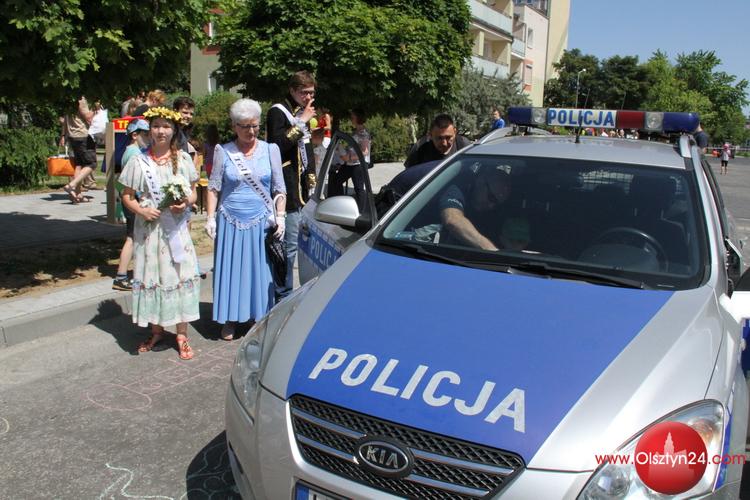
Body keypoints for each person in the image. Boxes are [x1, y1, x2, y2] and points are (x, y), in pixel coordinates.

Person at [119, 106, 201, 360]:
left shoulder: (183, 159)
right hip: (150, 230)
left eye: (166, 126)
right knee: (153, 275)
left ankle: (182, 334)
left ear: (174, 130)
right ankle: (157, 330)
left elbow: (193, 192)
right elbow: (127, 196)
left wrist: (184, 203)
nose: (160, 131)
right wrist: (141, 211)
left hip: (175, 230)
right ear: (149, 130)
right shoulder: (138, 161)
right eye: (156, 126)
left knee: (178, 274)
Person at [205, 99, 287, 341]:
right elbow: (213, 187)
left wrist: (280, 216)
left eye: (255, 126)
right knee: (231, 271)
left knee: (258, 272)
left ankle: (257, 317)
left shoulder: (271, 149)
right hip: (230, 220)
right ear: (234, 126)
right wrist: (210, 218)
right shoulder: (223, 151)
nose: (251, 131)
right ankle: (230, 318)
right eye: (245, 126)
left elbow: (279, 187)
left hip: (261, 221)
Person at [266, 70, 317, 299]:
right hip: (286, 187)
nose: (308, 97)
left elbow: (307, 148)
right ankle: (283, 294)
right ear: (292, 90)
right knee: (288, 245)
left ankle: (287, 290)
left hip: (302, 188)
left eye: (311, 93)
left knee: (298, 243)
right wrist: (301, 122)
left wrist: (313, 178)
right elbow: (276, 145)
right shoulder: (278, 111)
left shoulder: (302, 112)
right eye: (304, 92)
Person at [112, 119, 150, 291]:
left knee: (134, 237)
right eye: (145, 134)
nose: (149, 138)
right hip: (134, 200)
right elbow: (134, 181)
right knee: (132, 238)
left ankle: (130, 274)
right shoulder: (135, 153)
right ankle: (121, 276)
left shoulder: (131, 151)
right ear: (135, 135)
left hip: (132, 199)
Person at [439, 167, 513, 250]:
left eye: (496, 203)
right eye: (491, 197)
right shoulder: (460, 188)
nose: (491, 205)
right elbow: (452, 219)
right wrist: (491, 250)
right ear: (480, 181)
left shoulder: (494, 215)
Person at [328, 108, 371, 210]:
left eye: (353, 117)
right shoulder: (356, 131)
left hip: (358, 164)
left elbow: (365, 152)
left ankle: (360, 212)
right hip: (350, 163)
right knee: (337, 181)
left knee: (358, 187)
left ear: (358, 118)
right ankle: (340, 205)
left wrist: (350, 157)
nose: (351, 119)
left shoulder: (364, 133)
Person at [60, 96, 96, 203]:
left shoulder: (68, 98)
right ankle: (71, 185)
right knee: (91, 164)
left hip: (72, 135)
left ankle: (78, 194)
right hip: (82, 135)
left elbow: (65, 119)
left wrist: (63, 135)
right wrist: (95, 108)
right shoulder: (81, 99)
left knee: (79, 165)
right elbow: (88, 116)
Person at [404, 114, 472, 168]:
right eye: (439, 138)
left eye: (448, 137)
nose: (444, 143)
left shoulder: (464, 146)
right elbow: (409, 175)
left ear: (455, 132)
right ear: (430, 135)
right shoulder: (420, 147)